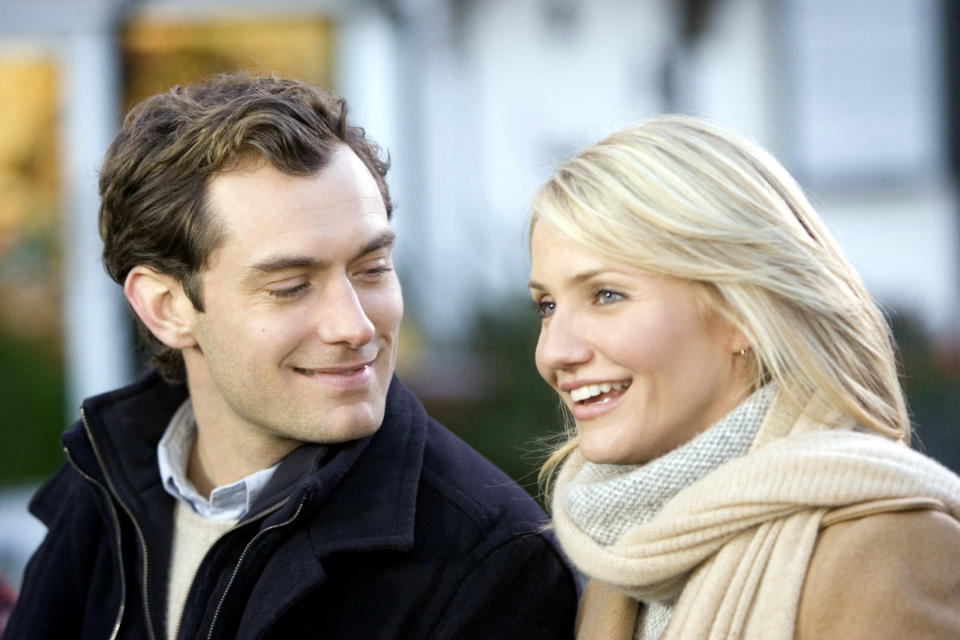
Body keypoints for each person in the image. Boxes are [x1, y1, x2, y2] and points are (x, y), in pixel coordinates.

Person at [6, 72, 577, 640]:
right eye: (290, 286)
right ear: (166, 307)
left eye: (372, 268)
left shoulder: (490, 565)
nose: (355, 326)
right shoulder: (100, 488)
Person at [526, 115, 960, 639]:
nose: (554, 351)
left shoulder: (890, 548)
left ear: (740, 313)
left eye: (606, 295)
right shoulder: (626, 560)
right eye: (547, 305)